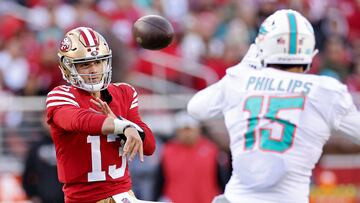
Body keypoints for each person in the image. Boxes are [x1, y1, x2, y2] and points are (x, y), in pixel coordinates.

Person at [187, 9, 360, 203]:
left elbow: (195, 108)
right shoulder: (326, 90)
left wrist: (243, 67)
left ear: (261, 46)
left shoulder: (240, 80)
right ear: (310, 51)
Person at [45, 27, 156, 203]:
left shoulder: (124, 92)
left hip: (124, 195)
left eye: (98, 62)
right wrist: (122, 125)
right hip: (85, 199)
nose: (94, 70)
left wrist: (123, 126)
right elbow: (79, 120)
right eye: (85, 64)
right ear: (68, 67)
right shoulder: (61, 96)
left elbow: (149, 146)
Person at [155, 111, 225, 203]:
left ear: (198, 130)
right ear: (177, 132)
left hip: (207, 199)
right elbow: (160, 179)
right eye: (183, 130)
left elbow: (221, 178)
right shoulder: (168, 151)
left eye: (190, 130)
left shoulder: (211, 149)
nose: (187, 134)